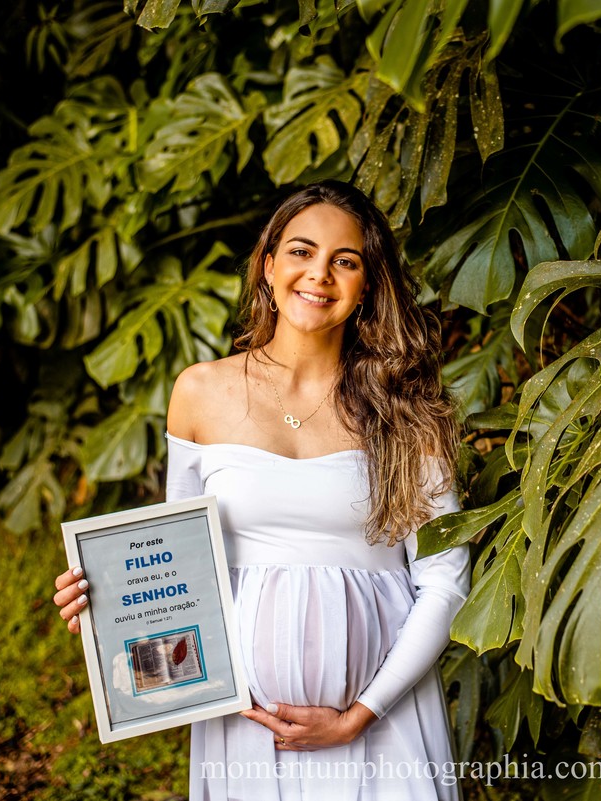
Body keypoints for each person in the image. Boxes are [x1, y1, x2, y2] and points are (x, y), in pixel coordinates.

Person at [52, 180, 471, 800]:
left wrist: (362, 713)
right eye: (301, 252)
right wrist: (106, 604)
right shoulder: (201, 393)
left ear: (368, 288)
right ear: (268, 265)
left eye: (345, 261)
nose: (319, 274)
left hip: (386, 724)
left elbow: (445, 580)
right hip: (244, 724)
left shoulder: (407, 409)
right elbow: (177, 563)